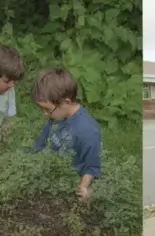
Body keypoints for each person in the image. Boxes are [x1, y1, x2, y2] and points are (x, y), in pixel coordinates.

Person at [30, 68, 102, 201]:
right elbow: (40, 143)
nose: (45, 114)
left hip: (69, 182)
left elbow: (91, 166)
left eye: (47, 109)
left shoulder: (88, 131)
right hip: (50, 174)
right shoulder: (57, 116)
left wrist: (83, 187)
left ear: (66, 102)